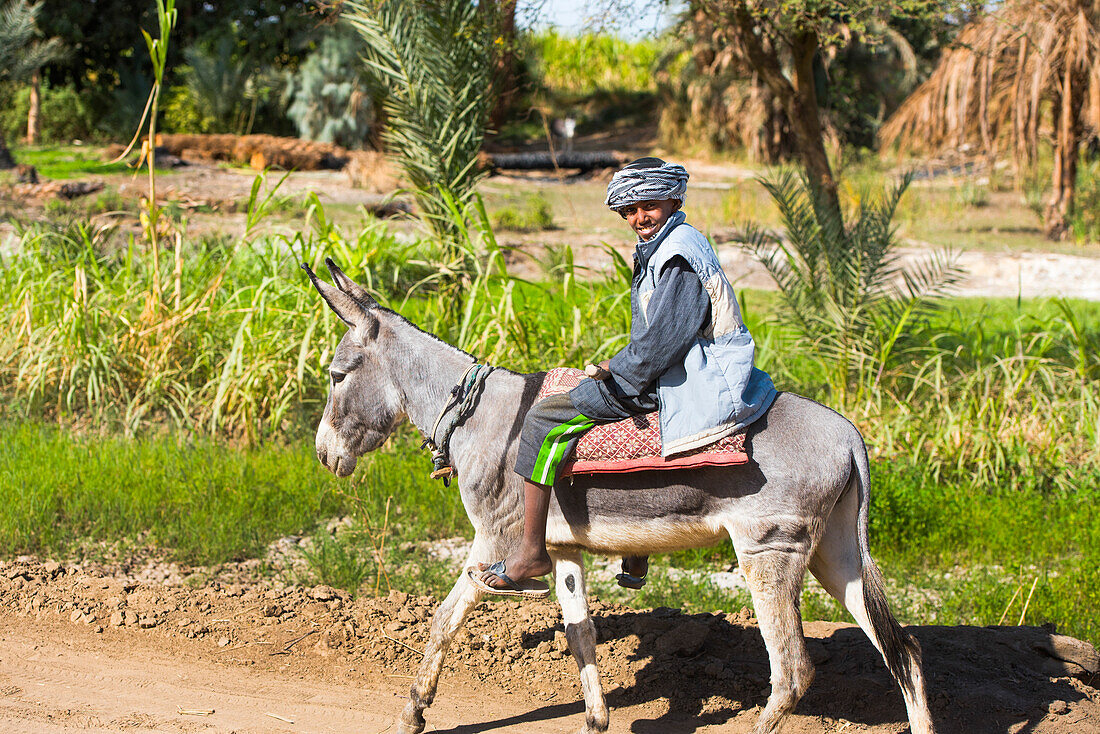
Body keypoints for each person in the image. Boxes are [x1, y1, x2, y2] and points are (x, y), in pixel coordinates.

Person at [469, 157, 777, 597]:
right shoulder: (667, 242)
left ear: (674, 198)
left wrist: (620, 371)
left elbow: (663, 343)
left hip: (693, 378)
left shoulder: (678, 255)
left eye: (648, 206)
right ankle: (635, 548)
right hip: (680, 366)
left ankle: (530, 553)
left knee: (541, 421)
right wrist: (621, 362)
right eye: (629, 211)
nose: (638, 218)